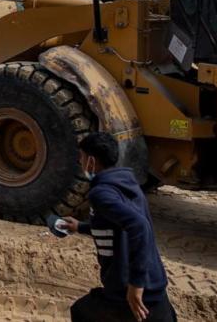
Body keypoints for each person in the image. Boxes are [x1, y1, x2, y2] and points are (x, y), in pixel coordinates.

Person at [58, 132, 175, 322]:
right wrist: (80, 227)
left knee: (81, 313)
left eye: (81, 157)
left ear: (91, 162)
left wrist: (135, 286)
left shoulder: (100, 193)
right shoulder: (128, 184)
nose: (80, 163)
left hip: (130, 293)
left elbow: (139, 227)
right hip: (155, 287)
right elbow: (116, 227)